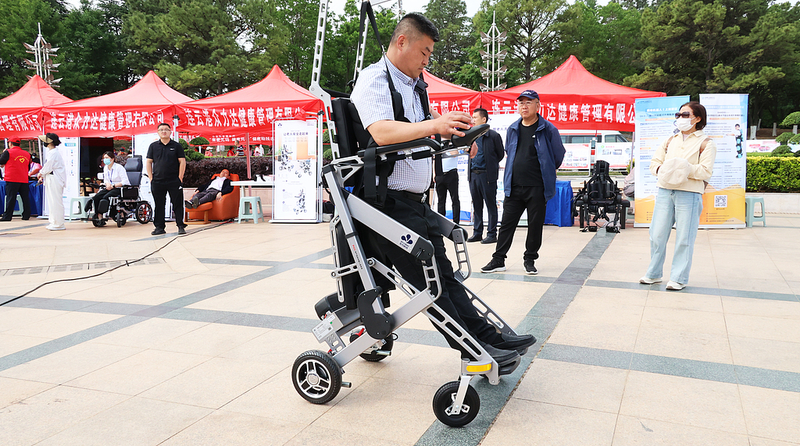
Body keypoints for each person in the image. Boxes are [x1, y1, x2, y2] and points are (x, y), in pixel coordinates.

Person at [350, 13, 535, 365]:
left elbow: (421, 133)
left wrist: (453, 134)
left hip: (416, 202)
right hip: (387, 203)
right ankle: (475, 351)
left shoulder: (414, 85)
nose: (426, 61)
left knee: (444, 277)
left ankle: (487, 337)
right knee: (429, 285)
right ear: (401, 41)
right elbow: (382, 133)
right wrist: (434, 124)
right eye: (425, 52)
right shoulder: (375, 79)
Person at [481, 90, 565, 276]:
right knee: (507, 225)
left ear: (538, 105)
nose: (524, 106)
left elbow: (558, 156)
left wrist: (547, 170)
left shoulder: (548, 129)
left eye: (529, 102)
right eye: (521, 103)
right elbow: (510, 153)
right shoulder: (513, 129)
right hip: (514, 186)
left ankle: (530, 259)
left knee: (534, 226)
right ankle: (498, 259)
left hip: (537, 187)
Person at [640, 101, 716, 291]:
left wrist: (683, 169)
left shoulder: (706, 143)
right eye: (678, 115)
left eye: (685, 115)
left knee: (685, 237)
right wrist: (664, 169)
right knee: (656, 234)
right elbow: (654, 163)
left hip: (689, 193)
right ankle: (654, 274)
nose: (680, 118)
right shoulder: (670, 140)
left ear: (697, 118)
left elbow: (705, 171)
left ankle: (679, 278)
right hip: (665, 190)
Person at [467, 108, 504, 244]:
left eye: (475, 117)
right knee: (477, 205)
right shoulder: (471, 136)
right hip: (473, 174)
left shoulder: (493, 136)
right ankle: (477, 233)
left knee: (490, 205)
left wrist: (491, 164)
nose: (473, 119)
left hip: (487, 175)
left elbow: (499, 154)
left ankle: (492, 233)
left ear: (484, 119)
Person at [146, 122, 187, 235]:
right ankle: (159, 227)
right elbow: (149, 162)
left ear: (170, 131)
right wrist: (151, 177)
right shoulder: (153, 146)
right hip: (157, 181)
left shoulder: (176, 146)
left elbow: (182, 161)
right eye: (161, 130)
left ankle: (180, 225)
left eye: (166, 129)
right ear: (158, 132)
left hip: (174, 180)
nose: (164, 131)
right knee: (159, 204)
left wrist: (180, 177)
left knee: (177, 203)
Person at [85, 151, 130, 219]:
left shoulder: (119, 168)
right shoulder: (106, 168)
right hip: (110, 187)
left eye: (107, 158)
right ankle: (99, 214)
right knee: (97, 197)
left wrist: (114, 186)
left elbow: (125, 181)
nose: (105, 159)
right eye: (104, 158)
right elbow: (106, 179)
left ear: (112, 159)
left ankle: (110, 213)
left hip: (120, 188)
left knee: (106, 197)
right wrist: (108, 184)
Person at [36, 133, 66, 230]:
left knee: (55, 201)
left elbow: (48, 166)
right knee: (52, 201)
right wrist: (43, 174)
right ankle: (54, 221)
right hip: (51, 178)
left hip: (54, 178)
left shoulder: (53, 153)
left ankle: (58, 223)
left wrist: (41, 173)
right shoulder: (52, 152)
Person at [0, 138, 31, 221]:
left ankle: (7, 216)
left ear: (10, 143)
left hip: (12, 178)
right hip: (24, 178)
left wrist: (3, 153)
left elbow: (1, 161)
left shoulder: (8, 152)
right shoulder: (27, 154)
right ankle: (26, 215)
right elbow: (28, 166)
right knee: (25, 198)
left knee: (11, 198)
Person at [434, 150, 460, 224]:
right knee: (441, 200)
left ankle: (456, 222)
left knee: (454, 199)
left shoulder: (452, 144)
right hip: (440, 174)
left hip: (451, 173)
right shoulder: (439, 145)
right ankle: (441, 223)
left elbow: (455, 153)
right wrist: (434, 173)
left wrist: (447, 146)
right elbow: (435, 159)